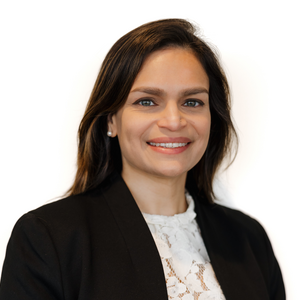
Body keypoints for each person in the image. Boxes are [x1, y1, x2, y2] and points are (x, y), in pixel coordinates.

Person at [0, 19, 285, 300]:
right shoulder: (48, 238)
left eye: (192, 102)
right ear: (111, 119)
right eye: (147, 101)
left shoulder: (248, 239)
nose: (174, 121)